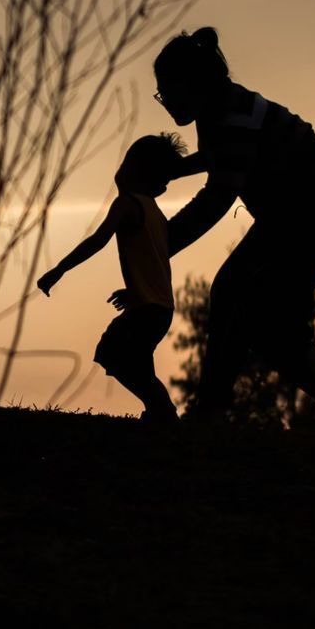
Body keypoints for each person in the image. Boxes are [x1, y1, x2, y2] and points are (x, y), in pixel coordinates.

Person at [154, 26, 315, 437]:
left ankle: (212, 411)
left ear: (192, 84)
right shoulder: (218, 108)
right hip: (293, 209)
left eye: (168, 92)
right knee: (237, 297)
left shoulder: (231, 114)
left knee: (263, 316)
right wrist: (180, 169)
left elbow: (217, 199)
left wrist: (159, 247)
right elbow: (221, 157)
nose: (166, 102)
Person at [37, 134, 186, 425]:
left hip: (148, 309)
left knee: (114, 353)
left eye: (129, 163)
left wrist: (60, 269)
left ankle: (164, 413)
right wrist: (135, 290)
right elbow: (155, 262)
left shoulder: (127, 204)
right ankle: (159, 415)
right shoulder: (155, 213)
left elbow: (98, 240)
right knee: (138, 362)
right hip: (158, 307)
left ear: (138, 171)